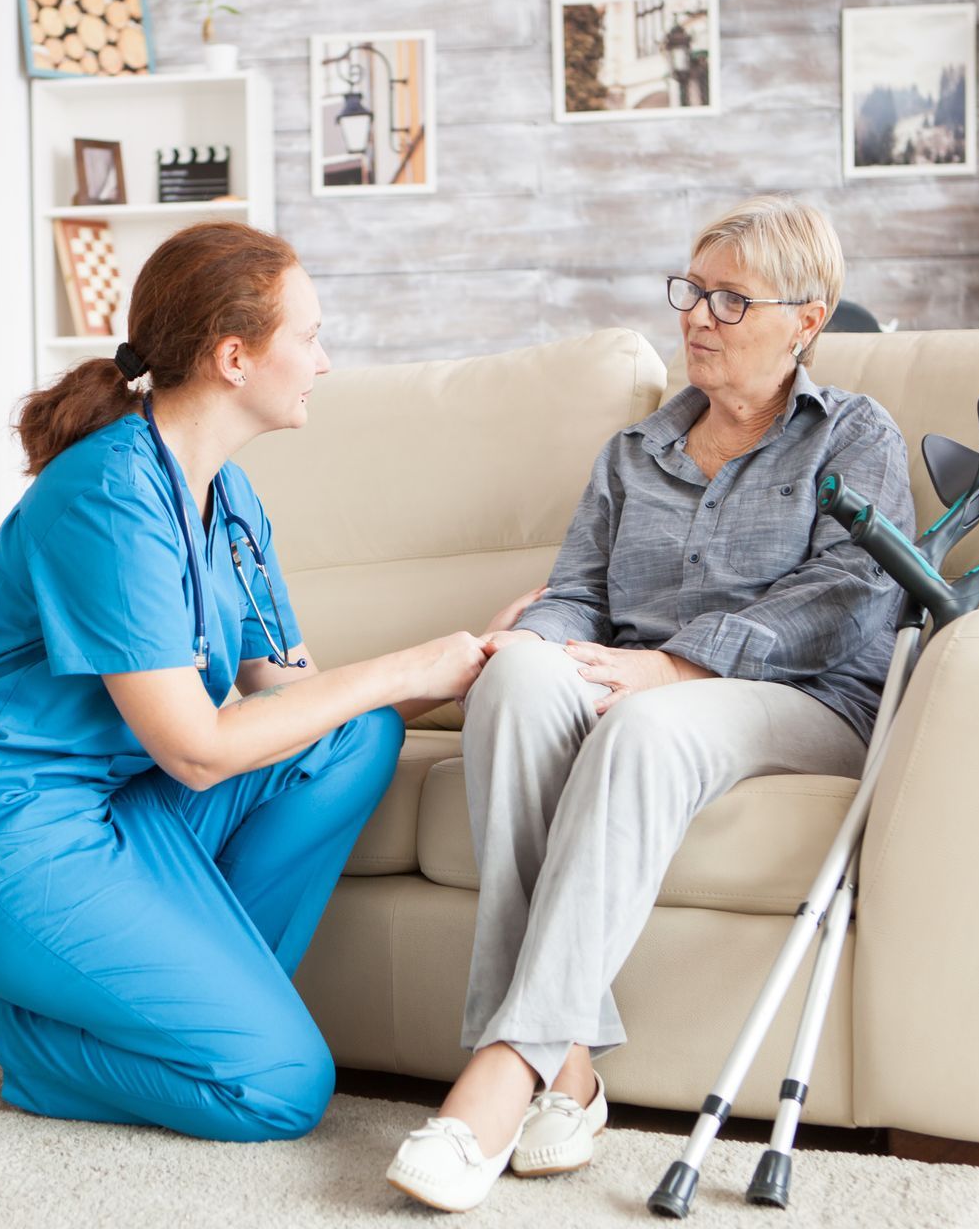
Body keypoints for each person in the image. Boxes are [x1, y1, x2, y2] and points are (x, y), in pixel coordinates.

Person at [0, 221, 490, 1142]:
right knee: (278, 1088)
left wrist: (470, 665)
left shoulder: (233, 498)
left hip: (109, 809)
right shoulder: (108, 493)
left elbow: (294, 697)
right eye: (308, 336)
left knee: (355, 735)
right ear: (232, 356)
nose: (325, 361)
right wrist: (407, 663)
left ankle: (189, 1024)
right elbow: (196, 749)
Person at [385, 195, 918, 1211]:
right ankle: (571, 1069)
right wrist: (530, 640)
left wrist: (675, 667)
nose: (698, 316)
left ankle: (496, 1084)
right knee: (519, 678)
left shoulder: (853, 434)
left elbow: (849, 593)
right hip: (636, 681)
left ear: (806, 319)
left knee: (638, 722)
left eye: (730, 298)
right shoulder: (635, 454)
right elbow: (578, 593)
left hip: (801, 701)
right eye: (692, 291)